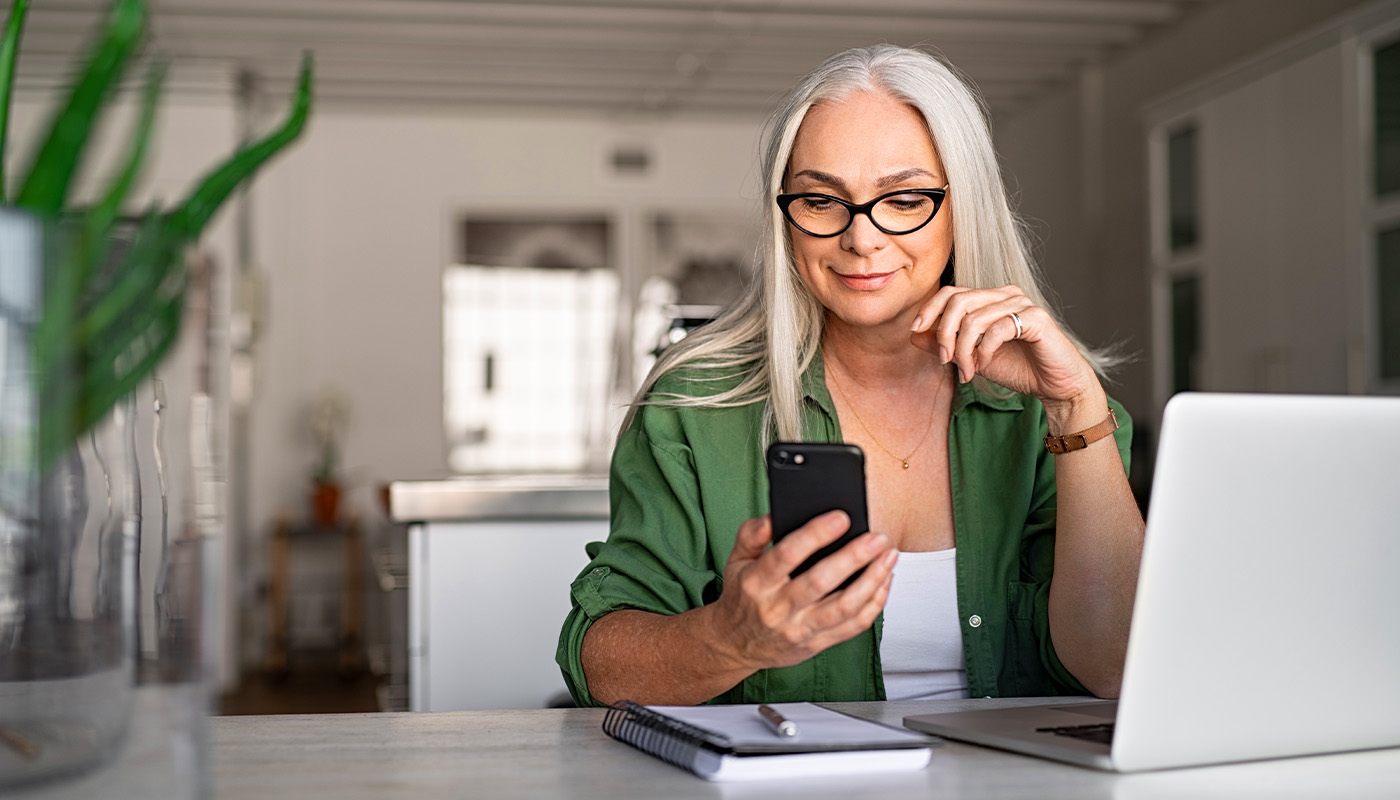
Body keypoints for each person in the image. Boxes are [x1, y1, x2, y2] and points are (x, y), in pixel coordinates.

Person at [556, 44, 1145, 707]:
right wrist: (730, 638)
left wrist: (1075, 411)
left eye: (903, 199)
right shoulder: (695, 403)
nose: (860, 238)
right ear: (786, 218)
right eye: (821, 200)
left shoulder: (1060, 414)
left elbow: (1116, 667)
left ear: (963, 207)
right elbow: (601, 667)